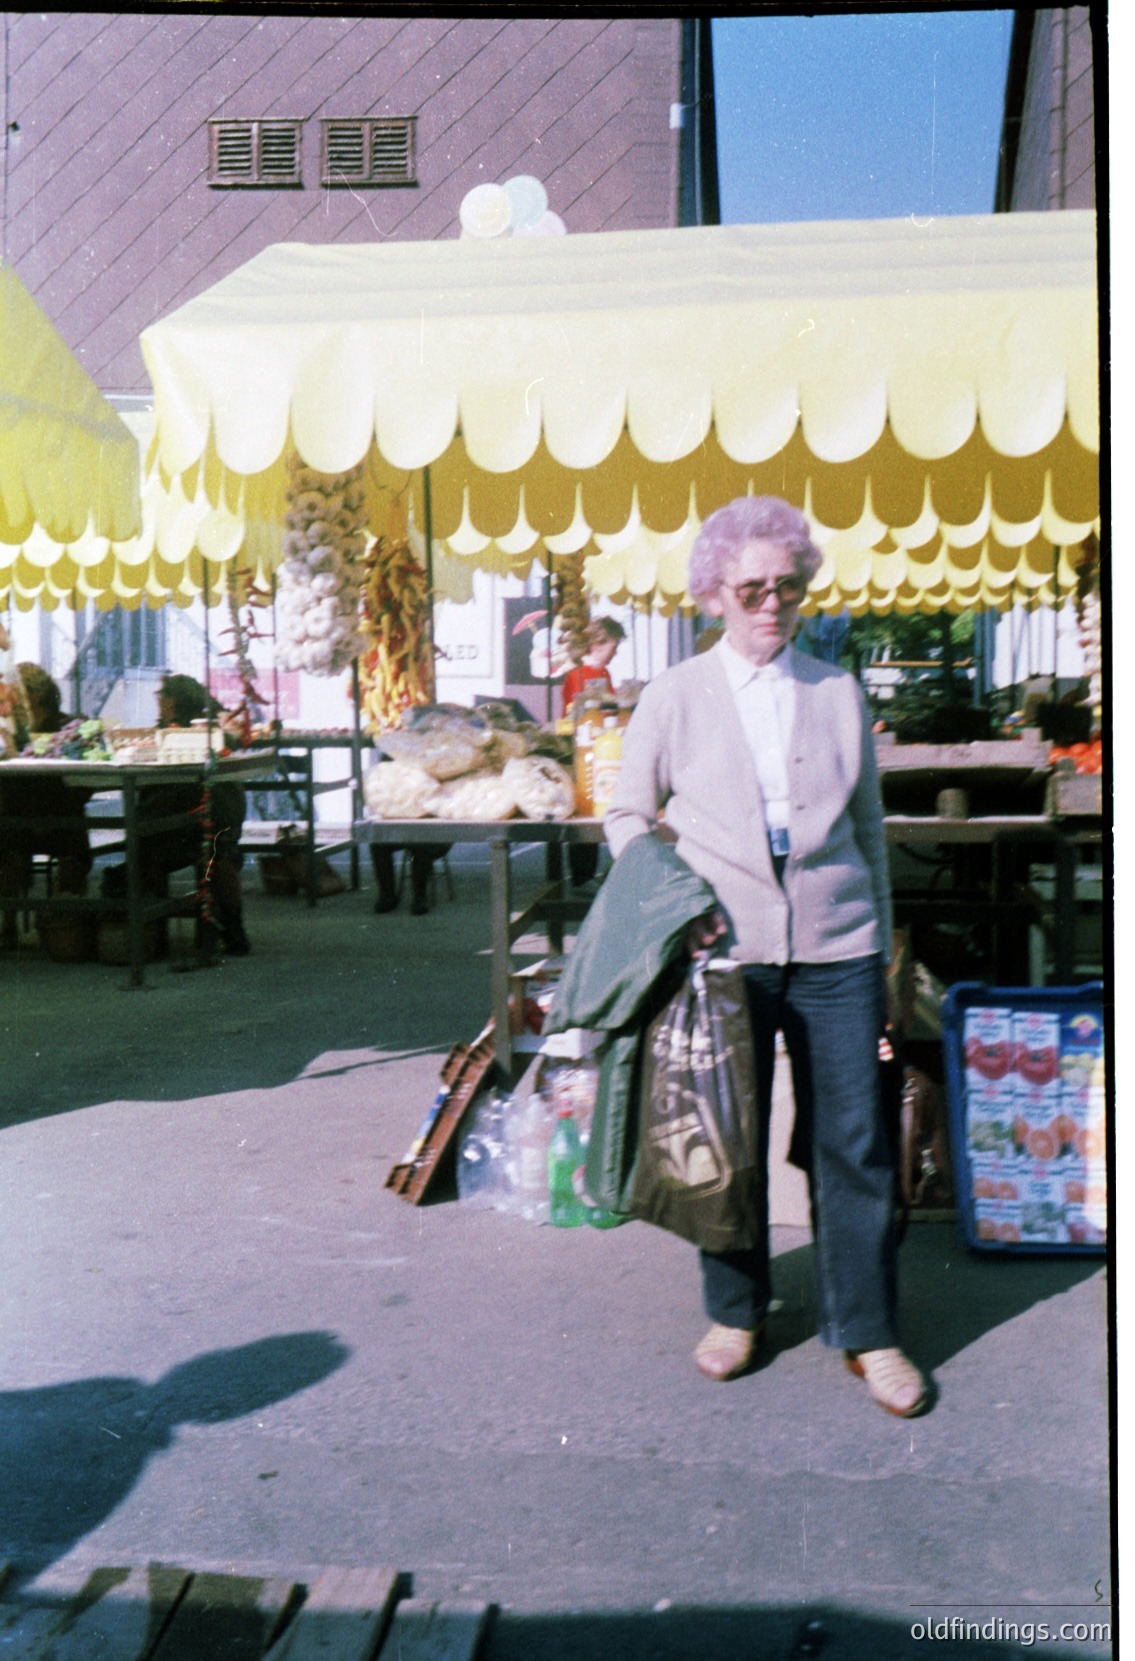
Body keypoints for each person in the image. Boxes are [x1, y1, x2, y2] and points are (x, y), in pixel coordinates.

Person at [604, 496, 927, 1419]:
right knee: (724, 1140)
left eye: (786, 586)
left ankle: (867, 1331)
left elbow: (867, 832)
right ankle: (735, 1310)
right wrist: (678, 904)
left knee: (855, 1141)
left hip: (838, 948)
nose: (769, 604)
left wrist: (881, 957)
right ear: (713, 593)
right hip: (725, 952)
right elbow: (626, 815)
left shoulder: (836, 691)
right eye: (750, 588)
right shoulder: (672, 696)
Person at [136, 673, 250, 957]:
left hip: (210, 812)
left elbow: (232, 741)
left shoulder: (209, 726)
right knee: (210, 849)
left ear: (172, 701)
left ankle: (158, 929)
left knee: (214, 850)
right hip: (188, 814)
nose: (158, 703)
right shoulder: (170, 727)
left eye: (161, 697)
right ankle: (228, 927)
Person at [0, 664, 93, 949]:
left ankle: (65, 919)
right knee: (7, 849)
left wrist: (53, 811)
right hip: (19, 815)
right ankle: (8, 925)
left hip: (61, 813)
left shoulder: (69, 726)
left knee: (73, 846)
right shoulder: (9, 731)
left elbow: (84, 787)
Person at [560, 616, 626, 719]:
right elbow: (577, 712)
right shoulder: (578, 673)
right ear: (596, 644)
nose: (615, 653)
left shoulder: (604, 671)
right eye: (613, 648)